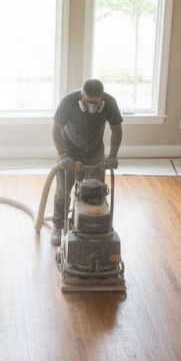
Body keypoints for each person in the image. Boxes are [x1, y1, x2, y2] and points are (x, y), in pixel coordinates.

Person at [50, 78, 123, 245]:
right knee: (63, 190)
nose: (92, 107)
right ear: (83, 96)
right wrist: (63, 155)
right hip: (69, 150)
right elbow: (55, 130)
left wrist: (112, 155)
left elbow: (117, 130)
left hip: (94, 152)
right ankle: (58, 225)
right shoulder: (69, 101)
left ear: (101, 97)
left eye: (96, 103)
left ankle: (91, 226)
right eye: (89, 102)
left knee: (95, 193)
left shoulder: (110, 102)